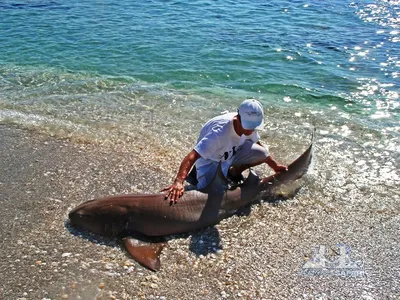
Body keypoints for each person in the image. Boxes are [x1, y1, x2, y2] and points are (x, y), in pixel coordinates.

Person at [162, 99, 287, 204]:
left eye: (254, 126)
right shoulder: (219, 133)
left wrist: (274, 166)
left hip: (231, 153)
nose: (250, 130)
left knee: (263, 153)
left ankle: (233, 172)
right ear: (238, 117)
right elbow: (192, 156)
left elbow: (257, 144)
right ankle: (196, 173)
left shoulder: (250, 125)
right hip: (211, 158)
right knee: (211, 196)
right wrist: (178, 182)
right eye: (248, 126)